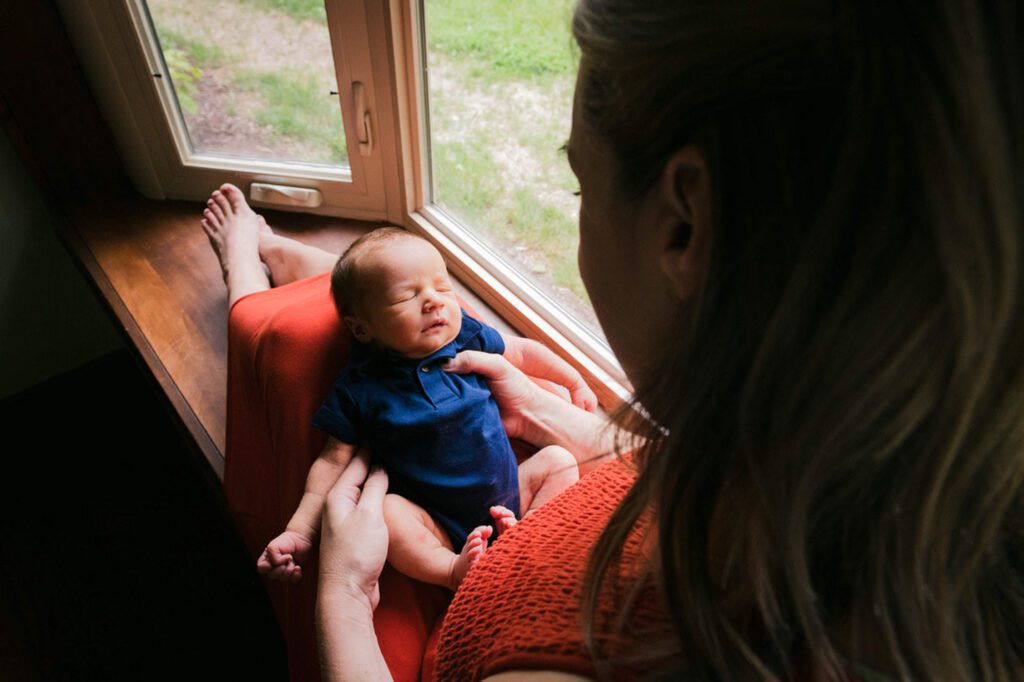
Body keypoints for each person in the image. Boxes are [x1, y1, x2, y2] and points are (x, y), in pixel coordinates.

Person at [208, 0, 1024, 678]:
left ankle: (258, 263)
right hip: (517, 504)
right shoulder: (903, 481)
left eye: (579, 184)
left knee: (277, 338)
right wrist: (598, 432)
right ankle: (289, 256)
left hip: (436, 592)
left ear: (683, 224)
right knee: (322, 314)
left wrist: (342, 598)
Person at [248, 226, 593, 590]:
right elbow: (332, 461)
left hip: (513, 496)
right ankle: (452, 571)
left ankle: (526, 535)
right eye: (406, 297)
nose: (434, 301)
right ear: (362, 329)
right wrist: (300, 531)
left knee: (559, 461)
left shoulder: (465, 339)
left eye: (442, 287)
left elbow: (521, 352)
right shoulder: (361, 386)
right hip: (437, 523)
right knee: (389, 513)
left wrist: (573, 379)